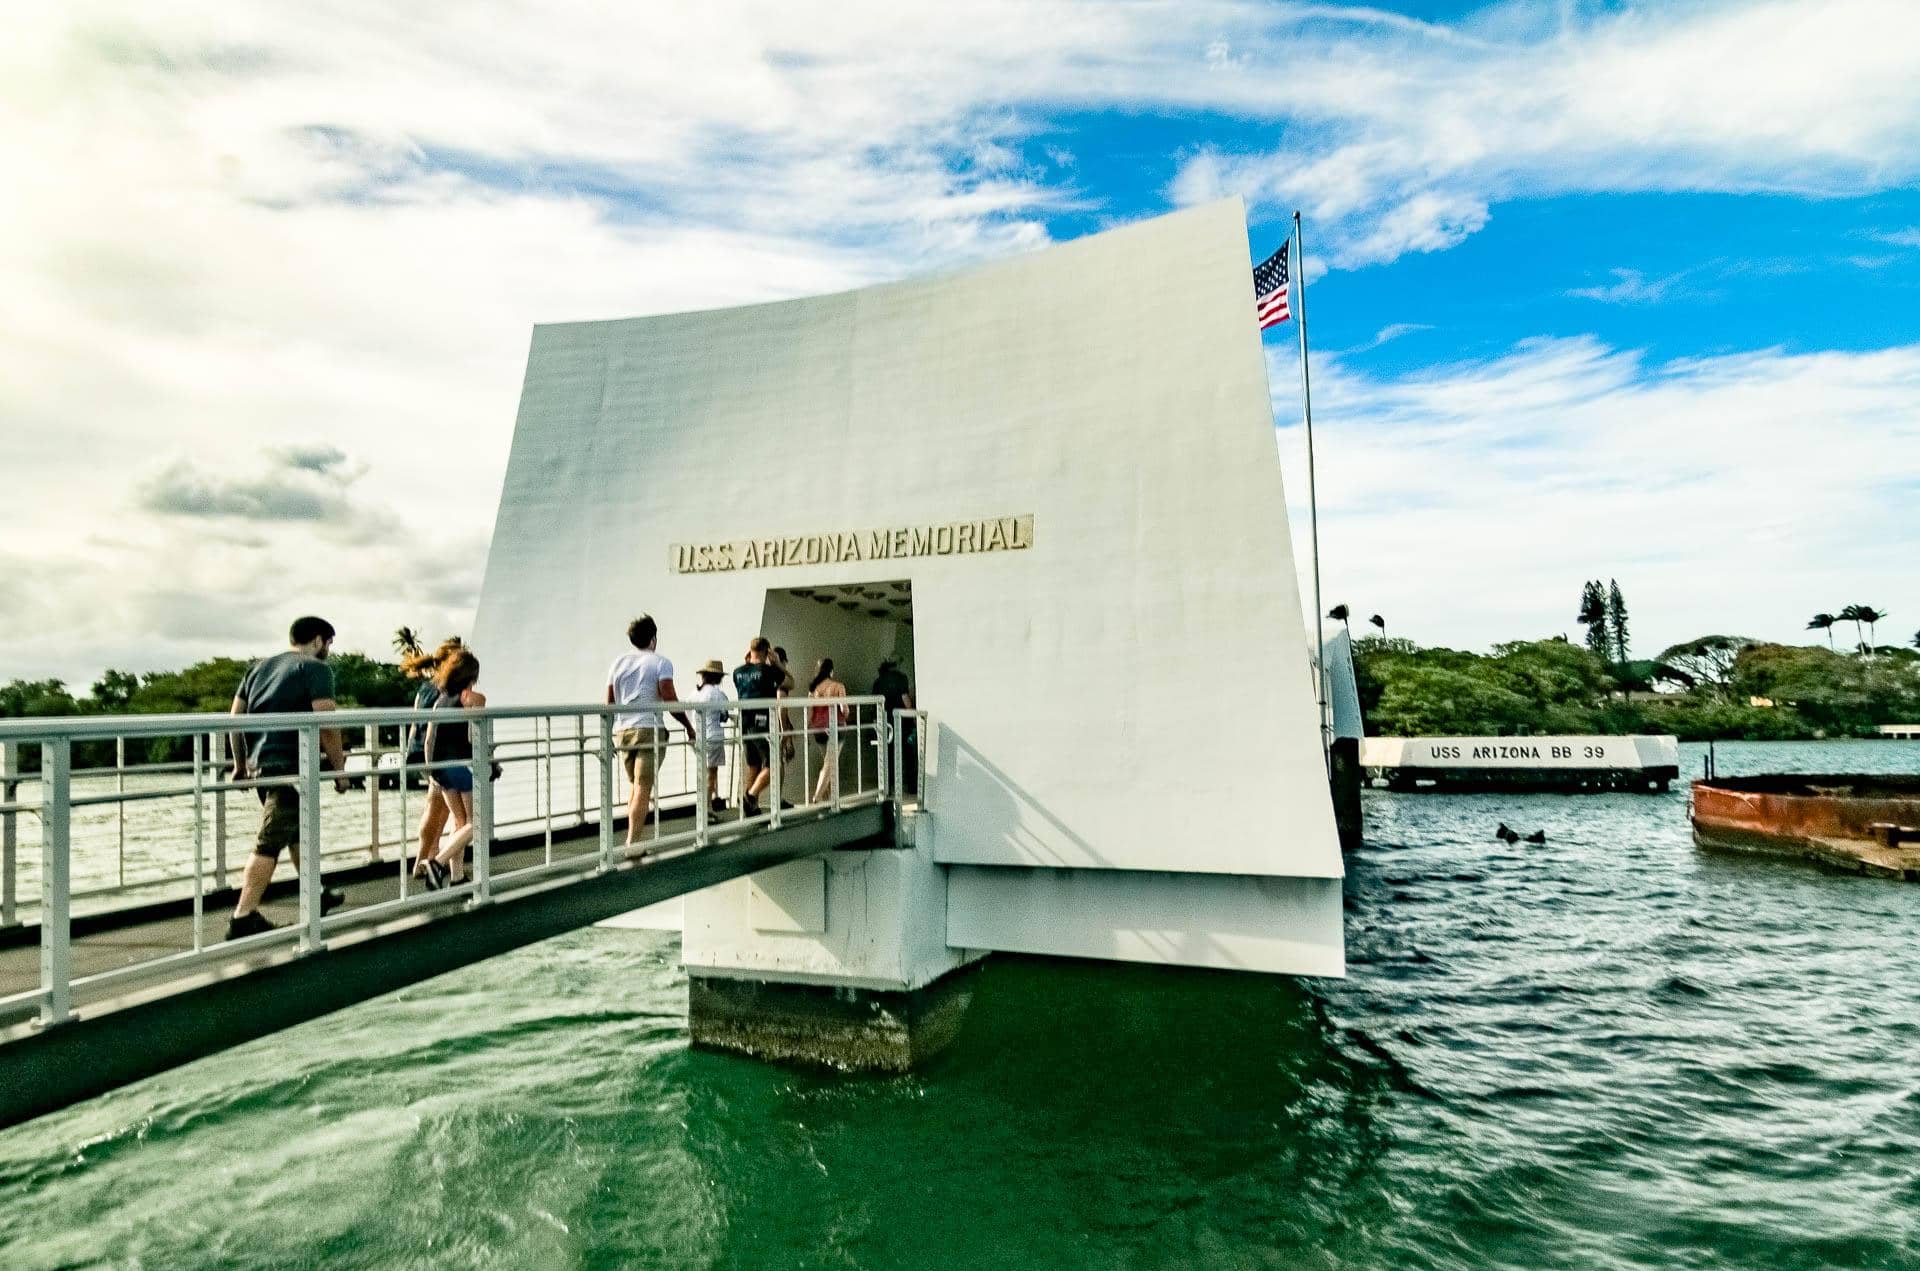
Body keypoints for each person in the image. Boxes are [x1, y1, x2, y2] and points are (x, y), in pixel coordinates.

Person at [225, 616, 351, 939]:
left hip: (261, 767)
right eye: (329, 644)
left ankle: (317, 893)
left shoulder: (257, 668)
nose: (329, 651)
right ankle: (243, 915)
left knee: (296, 834)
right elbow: (326, 723)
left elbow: (235, 720)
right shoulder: (316, 669)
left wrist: (240, 765)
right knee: (268, 842)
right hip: (291, 769)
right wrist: (340, 771)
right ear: (320, 640)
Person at [607, 615, 694, 848]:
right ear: (653, 638)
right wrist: (688, 726)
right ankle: (632, 844)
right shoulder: (660, 663)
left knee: (635, 787)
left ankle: (633, 839)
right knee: (643, 787)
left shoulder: (618, 663)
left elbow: (610, 703)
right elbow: (669, 699)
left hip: (622, 732)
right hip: (649, 729)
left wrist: (608, 735)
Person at [417, 649, 485, 889]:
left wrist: (430, 769)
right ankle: (437, 863)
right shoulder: (472, 697)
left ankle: (457, 878)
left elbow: (429, 737)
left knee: (460, 821)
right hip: (461, 765)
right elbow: (474, 735)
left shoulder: (440, 700)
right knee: (476, 822)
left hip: (440, 767)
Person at [402, 637, 463, 881]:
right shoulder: (448, 688)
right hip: (442, 753)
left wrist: (413, 753)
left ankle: (428, 858)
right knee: (443, 809)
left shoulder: (426, 687)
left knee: (437, 808)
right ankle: (427, 862)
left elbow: (416, 722)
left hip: (424, 753)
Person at [731, 637, 786, 818]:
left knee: (753, 764)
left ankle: (751, 807)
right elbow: (782, 677)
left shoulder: (737, 672)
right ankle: (750, 796)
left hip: (744, 722)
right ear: (766, 651)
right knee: (774, 763)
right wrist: (776, 662)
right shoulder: (768, 670)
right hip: (762, 721)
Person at [807, 658, 849, 804]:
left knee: (829, 762)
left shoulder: (813, 689)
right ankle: (818, 796)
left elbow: (810, 712)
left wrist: (808, 727)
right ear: (831, 671)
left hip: (818, 729)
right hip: (836, 727)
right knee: (830, 763)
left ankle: (831, 797)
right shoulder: (838, 686)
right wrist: (846, 715)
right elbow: (844, 709)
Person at [873, 659, 917, 796]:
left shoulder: (878, 682)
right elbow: (906, 699)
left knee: (888, 756)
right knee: (909, 755)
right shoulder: (901, 678)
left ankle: (888, 788)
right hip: (902, 720)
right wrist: (913, 717)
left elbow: (876, 704)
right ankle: (912, 787)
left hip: (885, 722)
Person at [693, 659, 730, 815]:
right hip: (713, 736)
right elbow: (724, 716)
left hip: (697, 736)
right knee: (711, 774)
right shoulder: (718, 694)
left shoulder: (694, 694)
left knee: (702, 772)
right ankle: (707, 808)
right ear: (718, 678)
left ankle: (703, 806)